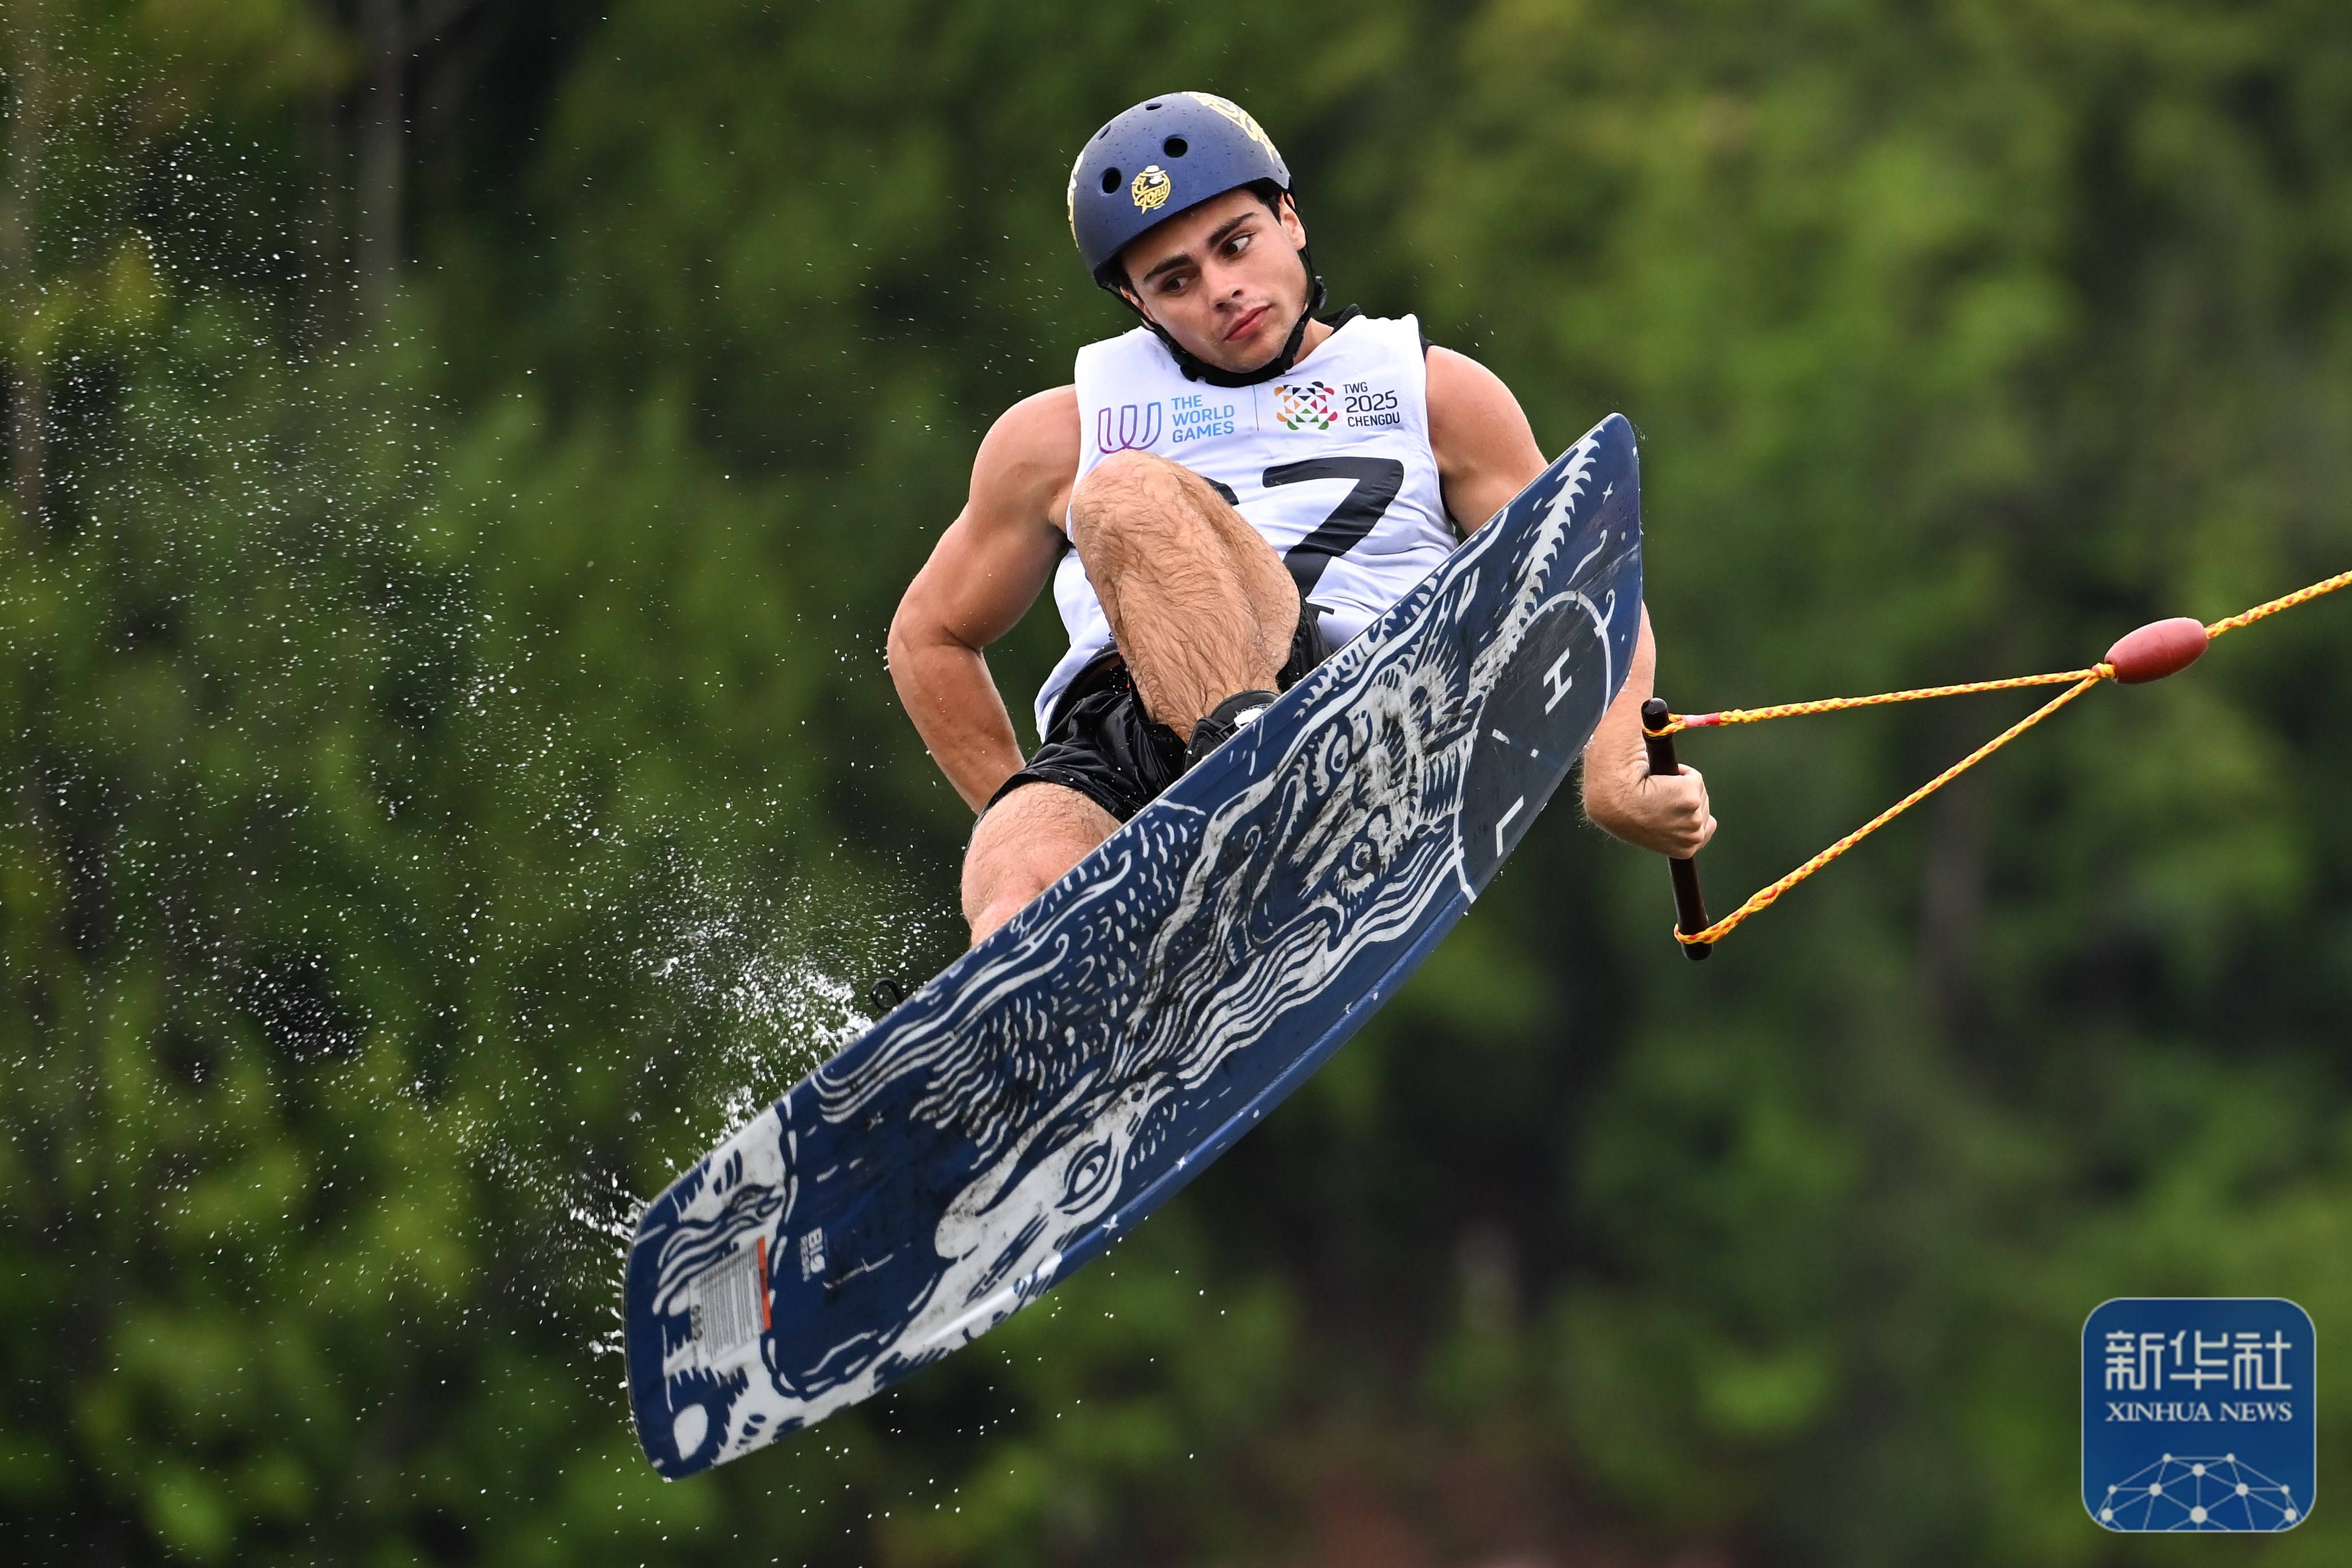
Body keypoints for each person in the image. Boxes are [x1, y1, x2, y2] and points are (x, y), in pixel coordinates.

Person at [890, 92, 1714, 944]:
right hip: (1120, 733)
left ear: (1289, 218)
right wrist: (1016, 801)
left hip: (1340, 699)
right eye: (1175, 281)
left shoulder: (1430, 390)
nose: (1221, 291)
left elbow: (1585, 575)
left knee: (1121, 495)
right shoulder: (1056, 433)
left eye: (1234, 244)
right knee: (1012, 879)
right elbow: (928, 637)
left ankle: (1261, 787)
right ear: (1138, 305)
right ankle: (1058, 989)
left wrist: (1614, 771)